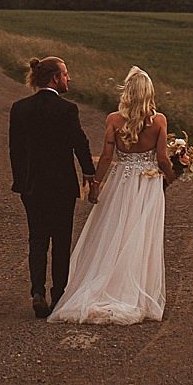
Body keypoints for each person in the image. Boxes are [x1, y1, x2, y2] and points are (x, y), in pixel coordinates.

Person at [46, 66, 172, 326]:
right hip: (147, 184)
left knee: (114, 232)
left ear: (127, 93)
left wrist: (96, 184)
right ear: (149, 93)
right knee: (141, 236)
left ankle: (104, 285)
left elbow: (106, 157)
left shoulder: (114, 119)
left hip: (121, 183)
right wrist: (172, 175)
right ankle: (133, 291)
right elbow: (161, 159)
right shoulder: (159, 121)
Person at [8, 54, 96, 318]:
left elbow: (16, 150)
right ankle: (59, 293)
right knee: (60, 240)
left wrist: (21, 182)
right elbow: (79, 143)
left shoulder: (20, 108)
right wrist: (89, 173)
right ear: (56, 78)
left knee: (37, 238)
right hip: (61, 186)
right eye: (66, 74)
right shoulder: (67, 109)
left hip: (32, 186)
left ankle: (37, 291)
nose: (69, 79)